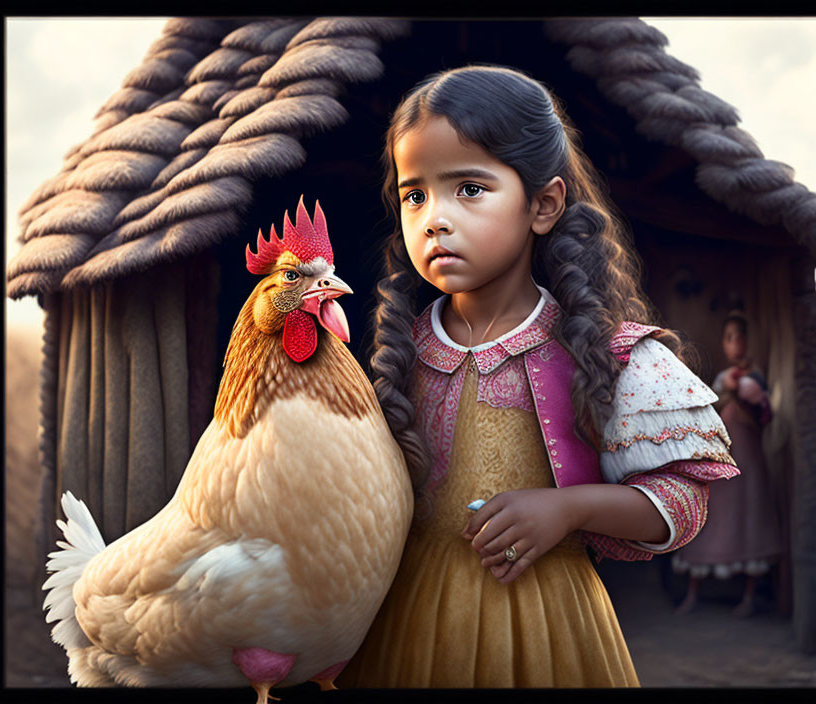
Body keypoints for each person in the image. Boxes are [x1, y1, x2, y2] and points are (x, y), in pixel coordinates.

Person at [335, 65, 738, 688]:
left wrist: (569, 510)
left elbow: (682, 502)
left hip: (551, 629)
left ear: (543, 204)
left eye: (468, 188)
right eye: (415, 194)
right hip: (406, 624)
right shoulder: (399, 356)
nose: (434, 218)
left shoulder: (605, 354)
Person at [672, 310, 781, 617]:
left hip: (749, 459)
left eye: (740, 336)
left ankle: (748, 595)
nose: (735, 343)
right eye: (729, 337)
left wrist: (749, 396)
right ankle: (693, 592)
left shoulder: (756, 378)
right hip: (723, 457)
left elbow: (765, 417)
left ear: (749, 340)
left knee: (749, 516)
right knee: (713, 517)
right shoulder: (721, 380)